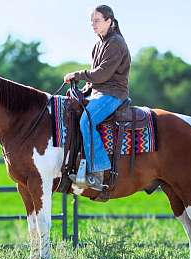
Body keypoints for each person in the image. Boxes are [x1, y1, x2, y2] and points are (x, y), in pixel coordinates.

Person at [64, 5, 131, 191]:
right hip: (98, 92)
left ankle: (98, 172)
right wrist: (83, 89)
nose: (92, 25)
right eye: (91, 21)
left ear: (109, 21)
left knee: (87, 121)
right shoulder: (98, 44)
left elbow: (101, 75)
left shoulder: (116, 42)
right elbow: (95, 79)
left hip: (113, 94)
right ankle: (77, 165)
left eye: (97, 21)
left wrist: (77, 74)